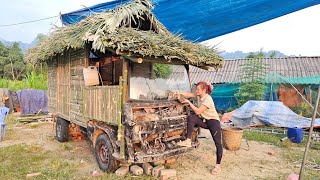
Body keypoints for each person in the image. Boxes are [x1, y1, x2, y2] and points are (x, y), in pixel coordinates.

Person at [177, 81, 223, 175]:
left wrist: (189, 102)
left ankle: (218, 166)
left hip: (214, 123)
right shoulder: (200, 95)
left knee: (218, 144)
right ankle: (188, 140)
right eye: (196, 89)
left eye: (198, 89)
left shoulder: (208, 99)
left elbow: (198, 111)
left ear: (204, 90)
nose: (196, 91)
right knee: (191, 118)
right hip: (206, 121)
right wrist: (178, 93)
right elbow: (190, 94)